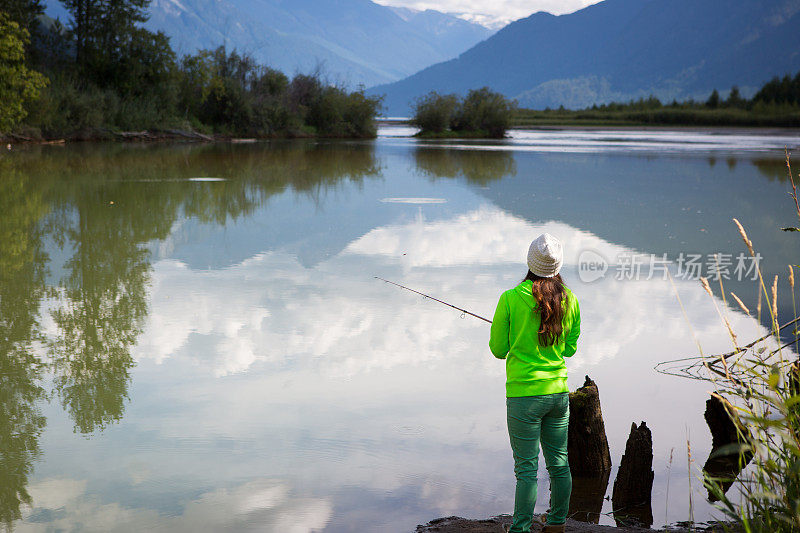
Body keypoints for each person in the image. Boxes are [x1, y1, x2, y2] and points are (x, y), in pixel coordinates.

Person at [489, 233, 581, 533]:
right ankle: (556, 525)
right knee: (559, 464)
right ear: (558, 266)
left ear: (530, 262)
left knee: (526, 470)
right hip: (557, 393)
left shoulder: (510, 298)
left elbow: (498, 350)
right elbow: (568, 349)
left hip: (523, 397)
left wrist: (518, 338)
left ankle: (520, 529)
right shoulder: (571, 300)